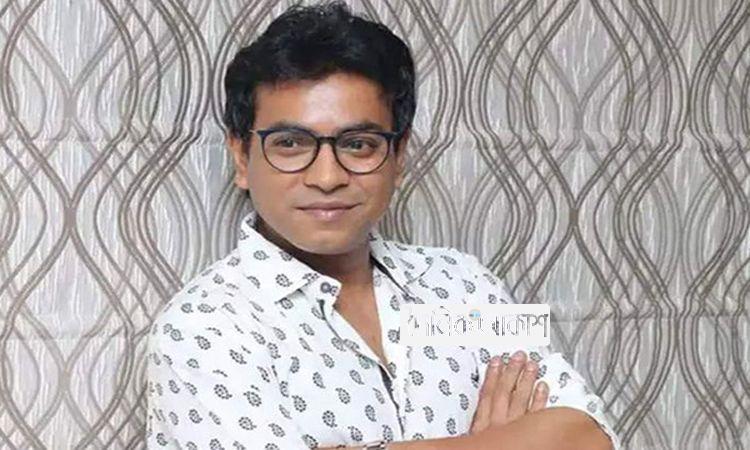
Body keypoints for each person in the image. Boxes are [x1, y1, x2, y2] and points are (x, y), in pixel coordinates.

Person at [146, 2, 620, 449]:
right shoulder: (208, 326)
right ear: (241, 157)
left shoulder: (463, 285)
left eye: (358, 144)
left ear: (399, 154)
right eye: (290, 143)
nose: (327, 177)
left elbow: (590, 433)